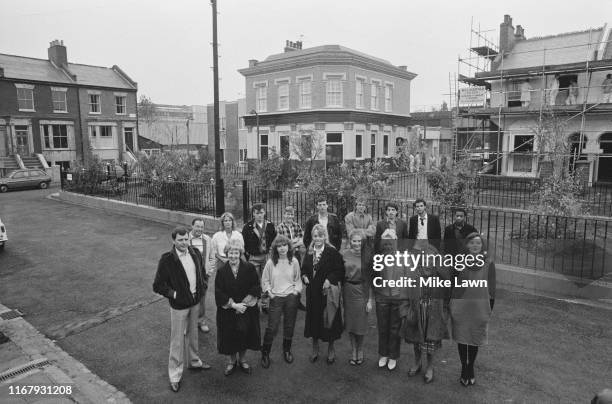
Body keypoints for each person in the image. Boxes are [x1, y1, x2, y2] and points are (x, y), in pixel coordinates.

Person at [153, 227, 210, 393]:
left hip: (194, 302)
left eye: (186, 239)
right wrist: (175, 294)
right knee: (177, 341)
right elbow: (158, 285)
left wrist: (202, 287)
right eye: (180, 240)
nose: (184, 243)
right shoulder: (167, 260)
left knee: (193, 335)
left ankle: (194, 362)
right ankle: (175, 375)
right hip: (179, 306)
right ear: (174, 241)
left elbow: (202, 274)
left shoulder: (195, 253)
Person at [450, 232, 496, 387]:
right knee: (462, 338)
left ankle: (471, 367)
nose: (475, 246)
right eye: (472, 243)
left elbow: (492, 288)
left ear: (482, 245)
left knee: (475, 339)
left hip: (480, 307)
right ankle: (464, 367)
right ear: (467, 245)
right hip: (461, 306)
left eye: (478, 243)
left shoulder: (489, 263)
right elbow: (453, 284)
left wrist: (490, 308)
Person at [403, 245, 451, 384]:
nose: (427, 261)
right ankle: (417, 363)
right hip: (417, 310)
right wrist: (406, 310)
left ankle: (430, 367)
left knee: (431, 342)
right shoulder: (414, 273)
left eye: (430, 259)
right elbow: (407, 292)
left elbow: (447, 296)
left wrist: (444, 313)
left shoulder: (440, 276)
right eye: (425, 258)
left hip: (433, 313)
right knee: (416, 340)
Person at [215, 238, 261, 376]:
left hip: (246, 309)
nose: (233, 256)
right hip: (229, 311)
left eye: (236, 253)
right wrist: (234, 305)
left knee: (244, 335)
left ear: (240, 253)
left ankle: (242, 359)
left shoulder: (249, 268)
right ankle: (232, 361)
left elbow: (256, 286)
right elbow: (218, 292)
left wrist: (244, 304)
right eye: (230, 253)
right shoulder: (222, 271)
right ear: (227, 253)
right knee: (230, 336)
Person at [301, 224, 345, 364]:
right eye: (315, 236)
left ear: (325, 236)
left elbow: (340, 270)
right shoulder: (308, 252)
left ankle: (331, 349)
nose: (318, 238)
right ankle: (315, 349)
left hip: (327, 293)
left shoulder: (332, 252)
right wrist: (304, 276)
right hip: (313, 293)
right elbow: (304, 269)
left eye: (320, 236)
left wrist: (329, 279)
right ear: (312, 237)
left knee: (328, 320)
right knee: (314, 320)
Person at [368, 233, 410, 371]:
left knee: (394, 329)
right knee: (383, 327)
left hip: (398, 297)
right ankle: (383, 354)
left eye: (390, 243)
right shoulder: (377, 259)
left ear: (396, 242)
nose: (387, 246)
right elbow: (372, 279)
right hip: (382, 297)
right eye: (385, 243)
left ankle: (393, 356)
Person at [260, 235, 303, 368]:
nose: (282, 248)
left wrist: (296, 292)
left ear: (289, 247)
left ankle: (287, 350)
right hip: (276, 297)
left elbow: (298, 280)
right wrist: (270, 292)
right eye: (279, 246)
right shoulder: (270, 262)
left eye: (284, 245)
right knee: (272, 327)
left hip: (291, 297)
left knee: (289, 325)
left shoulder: (294, 261)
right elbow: (265, 280)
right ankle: (265, 353)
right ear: (275, 248)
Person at [341, 229, 372, 365]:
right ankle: (353, 350)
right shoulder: (344, 254)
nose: (357, 243)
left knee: (360, 324)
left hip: (362, 291)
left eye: (359, 241)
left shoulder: (368, 256)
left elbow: (371, 279)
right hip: (347, 290)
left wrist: (370, 299)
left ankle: (360, 349)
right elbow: (340, 274)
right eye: (354, 241)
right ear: (350, 241)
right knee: (350, 323)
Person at [276, 205, 307, 311]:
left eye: (291, 214)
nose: (290, 216)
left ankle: (297, 301)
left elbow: (302, 239)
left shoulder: (297, 225)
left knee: (296, 277)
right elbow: (281, 242)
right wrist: (294, 242)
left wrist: (291, 243)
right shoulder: (280, 227)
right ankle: (286, 302)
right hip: (285, 256)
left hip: (296, 255)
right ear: (284, 215)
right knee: (285, 277)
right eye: (288, 214)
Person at [189, 218, 215, 333]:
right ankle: (189, 322)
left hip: (203, 276)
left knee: (202, 299)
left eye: (201, 227)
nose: (200, 229)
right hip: (188, 276)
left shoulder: (207, 239)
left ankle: (201, 321)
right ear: (192, 226)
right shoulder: (185, 239)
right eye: (197, 226)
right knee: (188, 298)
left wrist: (209, 272)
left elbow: (212, 257)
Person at [242, 203, 276, 279]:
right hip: (253, 257)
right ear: (253, 214)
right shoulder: (247, 227)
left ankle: (265, 290)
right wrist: (248, 255)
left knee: (266, 277)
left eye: (261, 213)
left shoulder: (270, 225)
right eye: (257, 213)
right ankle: (257, 290)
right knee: (255, 278)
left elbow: (274, 240)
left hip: (266, 255)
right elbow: (244, 243)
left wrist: (271, 252)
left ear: (264, 213)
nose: (259, 215)